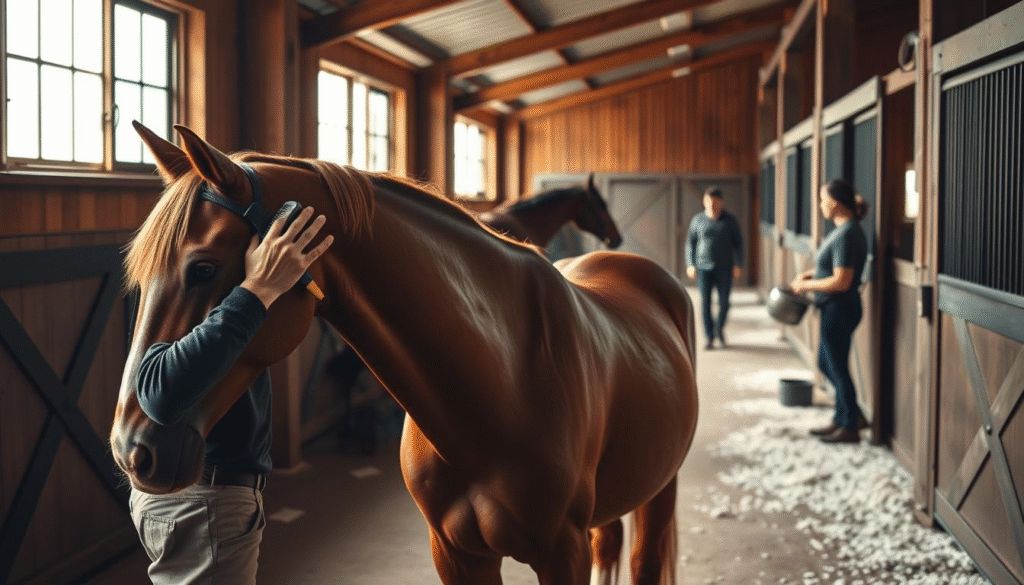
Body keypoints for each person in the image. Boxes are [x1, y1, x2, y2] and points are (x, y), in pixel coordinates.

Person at [129, 206, 333, 585]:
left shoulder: (176, 284)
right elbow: (159, 395)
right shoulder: (186, 285)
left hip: (197, 500)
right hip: (205, 503)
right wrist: (259, 289)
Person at [790, 179, 869, 444]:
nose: (820, 205)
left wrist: (806, 285)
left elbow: (842, 280)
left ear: (834, 203)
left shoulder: (847, 233)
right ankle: (845, 416)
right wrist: (810, 273)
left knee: (835, 366)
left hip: (840, 308)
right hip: (835, 307)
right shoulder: (842, 231)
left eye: (822, 200)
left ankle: (850, 425)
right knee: (828, 363)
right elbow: (833, 268)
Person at [685, 186, 743, 349]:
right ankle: (709, 336)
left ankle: (719, 329)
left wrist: (738, 264)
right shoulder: (698, 220)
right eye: (708, 201)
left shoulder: (730, 220)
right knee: (705, 302)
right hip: (703, 267)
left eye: (715, 201)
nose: (711, 204)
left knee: (724, 302)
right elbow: (690, 243)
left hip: (725, 267)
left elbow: (738, 243)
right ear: (704, 201)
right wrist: (690, 264)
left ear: (721, 202)